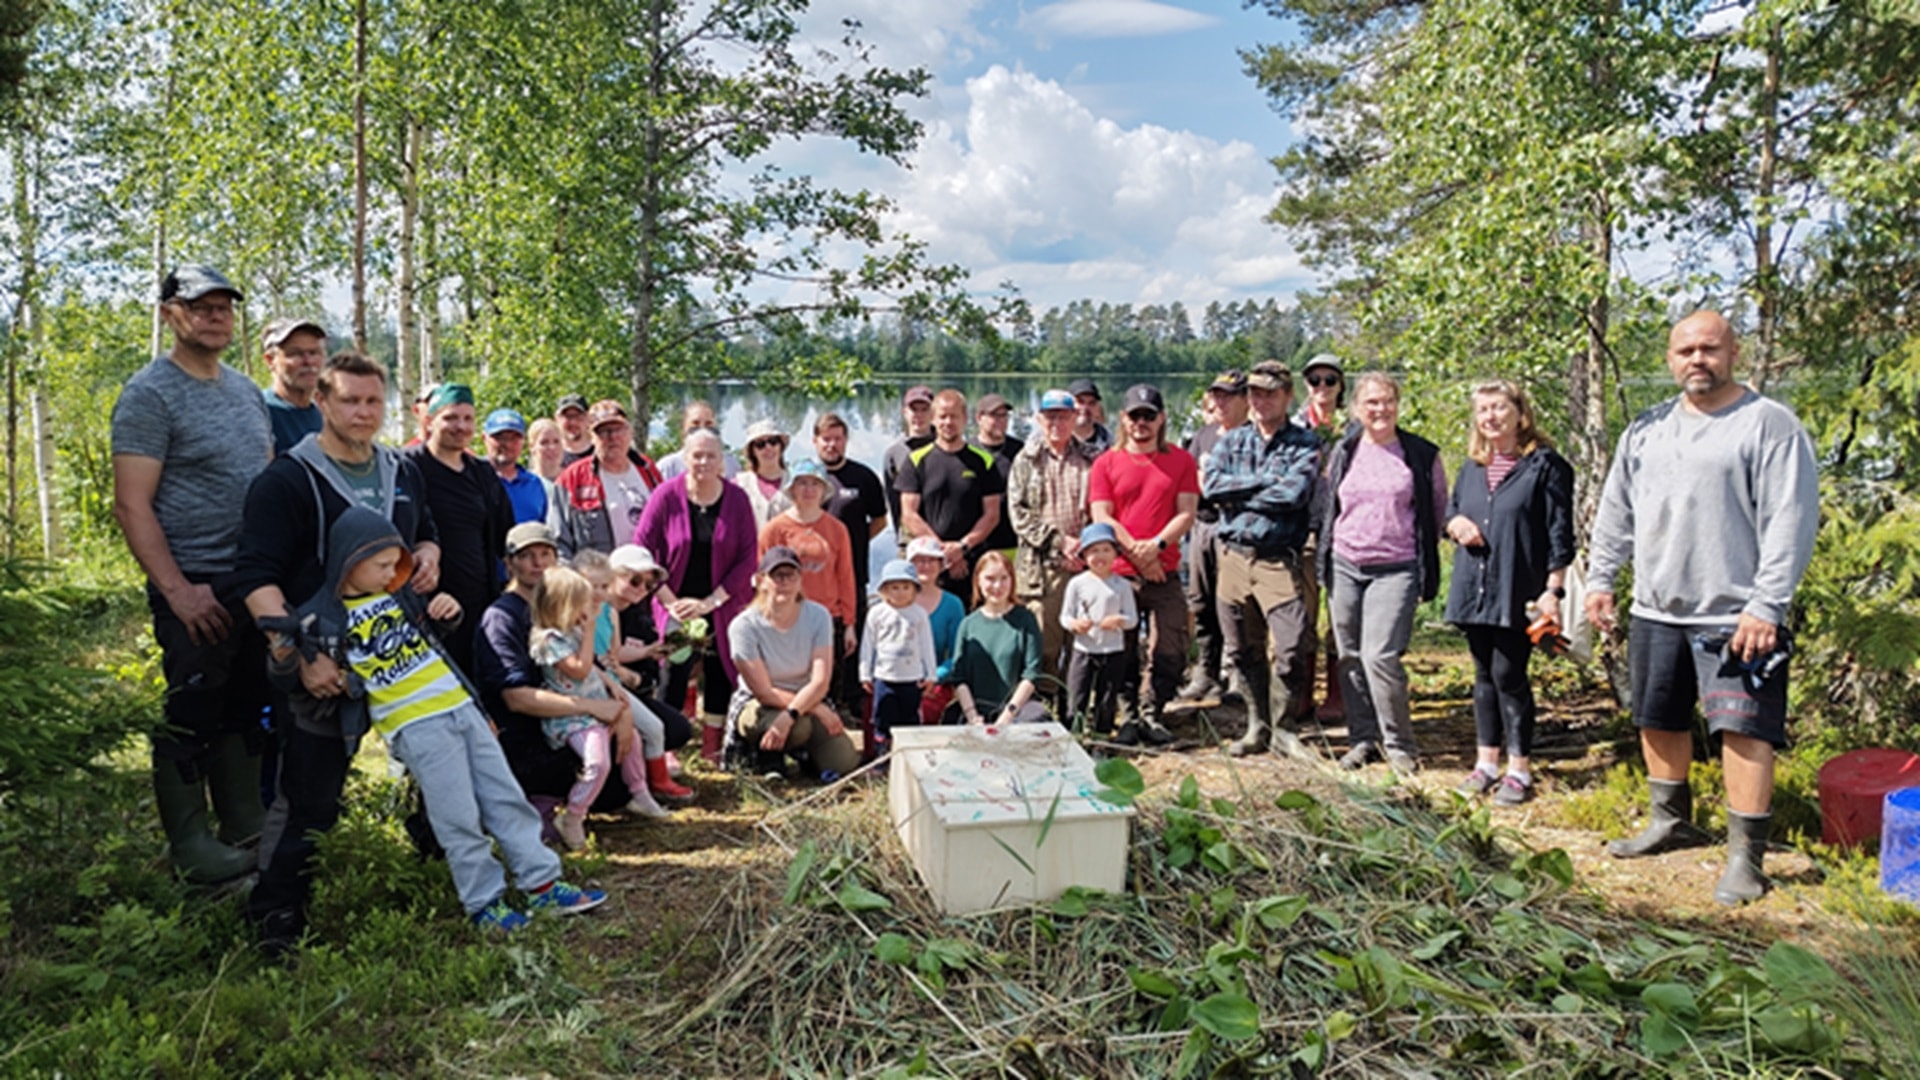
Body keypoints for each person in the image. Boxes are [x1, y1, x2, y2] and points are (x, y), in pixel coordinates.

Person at [274, 506, 606, 931]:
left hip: (459, 706)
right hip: (415, 723)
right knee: (457, 814)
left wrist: (448, 614)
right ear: (348, 559)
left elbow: (437, 645)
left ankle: (541, 883)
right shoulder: (324, 617)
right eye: (380, 566)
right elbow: (287, 668)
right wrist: (297, 655)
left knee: (504, 794)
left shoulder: (399, 595)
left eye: (395, 564)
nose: (389, 573)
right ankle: (485, 902)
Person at [1586, 311, 1819, 905]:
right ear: (1669, 359)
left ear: (1732, 352)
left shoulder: (1769, 426)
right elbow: (1617, 512)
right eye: (1685, 350)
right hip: (1658, 605)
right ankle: (1671, 821)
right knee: (1657, 716)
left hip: (1737, 611)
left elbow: (1790, 522)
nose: (1697, 359)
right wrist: (1600, 580)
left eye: (1709, 348)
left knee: (1743, 729)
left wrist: (1767, 604)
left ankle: (1747, 857)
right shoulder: (1647, 429)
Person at [233, 350, 443, 952]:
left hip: (400, 648)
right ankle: (275, 916)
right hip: (323, 654)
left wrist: (428, 553)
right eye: (349, 399)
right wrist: (299, 655)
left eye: (373, 400)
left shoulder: (402, 471)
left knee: (435, 763)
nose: (362, 411)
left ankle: (437, 870)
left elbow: (421, 531)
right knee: (311, 795)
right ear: (321, 402)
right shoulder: (288, 480)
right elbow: (255, 577)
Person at [111, 264, 273, 885]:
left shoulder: (243, 391)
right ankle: (190, 845)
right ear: (169, 314)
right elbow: (132, 502)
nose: (214, 316)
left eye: (223, 306)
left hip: (249, 581)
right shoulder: (149, 394)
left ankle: (243, 821)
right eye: (199, 306)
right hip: (194, 580)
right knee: (191, 709)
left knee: (245, 702)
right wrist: (178, 591)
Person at [1444, 381, 1575, 806]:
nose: (1490, 418)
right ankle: (1485, 765)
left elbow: (1559, 534)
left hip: (1517, 587)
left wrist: (1553, 590)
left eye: (1499, 408)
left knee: (1509, 675)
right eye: (1483, 410)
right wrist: (1455, 525)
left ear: (1521, 413)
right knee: (1483, 675)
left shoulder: (1545, 465)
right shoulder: (1472, 467)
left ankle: (1519, 769)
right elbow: (1451, 510)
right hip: (1474, 586)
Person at [472, 522, 636, 849]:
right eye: (527, 556)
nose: (538, 563)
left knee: (648, 747)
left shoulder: (559, 609)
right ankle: (537, 805)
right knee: (604, 772)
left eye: (546, 554)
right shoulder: (502, 617)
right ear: (509, 564)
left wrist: (616, 699)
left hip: (567, 716)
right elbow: (516, 699)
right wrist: (593, 707)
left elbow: (589, 661)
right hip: (525, 736)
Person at [1316, 373, 1447, 775]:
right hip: (1346, 563)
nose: (1380, 409)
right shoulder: (1344, 450)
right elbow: (1330, 504)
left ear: (1397, 404)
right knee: (1350, 656)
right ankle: (1362, 739)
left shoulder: (1421, 454)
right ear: (1356, 408)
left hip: (1397, 566)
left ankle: (1400, 744)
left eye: (1387, 400)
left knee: (1381, 656)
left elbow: (1437, 509)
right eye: (1371, 402)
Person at [1202, 361, 1323, 757]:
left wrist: (1240, 495)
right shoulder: (1231, 441)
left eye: (1271, 393)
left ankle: (1285, 726)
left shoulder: (1305, 443)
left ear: (1288, 396)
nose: (1261, 400)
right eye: (1255, 392)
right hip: (1234, 556)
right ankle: (1258, 727)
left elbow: (1293, 495)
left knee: (1290, 647)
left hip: (1278, 559)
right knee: (1242, 648)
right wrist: (1264, 482)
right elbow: (1213, 487)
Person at [529, 566, 683, 845]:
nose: (587, 609)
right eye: (580, 603)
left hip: (597, 704)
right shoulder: (550, 639)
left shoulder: (572, 629)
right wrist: (589, 632)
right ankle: (573, 815)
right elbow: (579, 668)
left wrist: (612, 684)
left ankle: (640, 794)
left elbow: (594, 668)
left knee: (634, 739)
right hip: (575, 716)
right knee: (598, 763)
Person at [634, 428, 760, 765]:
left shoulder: (737, 500)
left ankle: (713, 745)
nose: (703, 461)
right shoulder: (665, 495)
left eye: (711, 455)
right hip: (673, 598)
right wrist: (668, 598)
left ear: (722, 460)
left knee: (720, 668)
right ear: (685, 458)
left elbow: (748, 557)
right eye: (697, 455)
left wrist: (711, 602)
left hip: (721, 601)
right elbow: (642, 549)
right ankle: (667, 747)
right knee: (672, 670)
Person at [1088, 384, 1199, 746]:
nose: (1141, 423)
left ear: (1161, 419)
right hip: (1119, 573)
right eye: (1134, 415)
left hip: (1164, 570)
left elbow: (1186, 512)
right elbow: (1101, 514)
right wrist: (1136, 554)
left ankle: (1154, 711)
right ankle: (1129, 715)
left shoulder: (1181, 460)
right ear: (1123, 418)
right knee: (1123, 647)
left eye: (1149, 416)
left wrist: (1156, 546)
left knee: (1171, 644)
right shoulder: (1106, 462)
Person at [405, 383, 514, 676]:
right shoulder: (408, 467)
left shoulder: (482, 472)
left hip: (480, 602)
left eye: (467, 418)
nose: (460, 426)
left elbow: (507, 538)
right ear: (430, 421)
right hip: (428, 605)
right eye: (451, 418)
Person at [727, 546, 862, 778]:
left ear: (800, 580)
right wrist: (810, 711)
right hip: (759, 703)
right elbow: (764, 691)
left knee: (843, 762)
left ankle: (805, 756)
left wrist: (803, 707)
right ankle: (766, 756)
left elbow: (820, 682)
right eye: (777, 575)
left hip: (807, 697)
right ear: (761, 581)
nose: (785, 582)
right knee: (799, 727)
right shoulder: (743, 626)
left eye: (791, 575)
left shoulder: (819, 616)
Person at [1009, 388, 1098, 690]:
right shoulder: (1026, 460)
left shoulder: (1091, 459)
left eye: (1063, 416)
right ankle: (1044, 710)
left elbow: (1103, 510)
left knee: (1083, 646)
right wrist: (1060, 541)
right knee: (1044, 647)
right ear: (1039, 419)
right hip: (1042, 571)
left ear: (1075, 417)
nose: (1056, 423)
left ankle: (1077, 711)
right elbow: (1018, 515)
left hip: (1086, 566)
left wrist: (1086, 547)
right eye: (1050, 417)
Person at [1177, 369, 1250, 707]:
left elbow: (1247, 486)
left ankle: (1237, 674)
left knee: (1234, 604)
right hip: (1202, 527)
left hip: (1236, 529)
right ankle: (1206, 671)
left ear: (1245, 400)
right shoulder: (1204, 435)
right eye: (1216, 396)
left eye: (1228, 396)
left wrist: (1215, 483)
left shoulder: (1253, 436)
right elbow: (1190, 481)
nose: (1220, 402)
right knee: (1201, 602)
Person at [896, 388, 1005, 599]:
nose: (948, 422)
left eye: (954, 416)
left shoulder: (983, 461)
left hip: (972, 561)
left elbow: (992, 515)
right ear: (933, 419)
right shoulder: (916, 460)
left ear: (964, 418)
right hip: (930, 563)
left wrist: (962, 548)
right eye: (942, 416)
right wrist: (943, 552)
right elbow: (909, 514)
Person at [815, 411, 888, 714]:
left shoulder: (864, 477)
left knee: (851, 635)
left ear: (845, 441)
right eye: (826, 439)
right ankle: (820, 696)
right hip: (815, 576)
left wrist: (849, 547)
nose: (832, 445)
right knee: (819, 636)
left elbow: (880, 521)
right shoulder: (808, 478)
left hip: (853, 573)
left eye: (837, 438)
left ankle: (851, 701)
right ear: (815, 442)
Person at [760, 460, 858, 681]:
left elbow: (845, 576)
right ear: (792, 488)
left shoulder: (837, 529)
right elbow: (761, 579)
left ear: (824, 490)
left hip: (828, 616)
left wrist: (849, 624)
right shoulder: (774, 529)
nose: (809, 489)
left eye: (815, 483)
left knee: (826, 685)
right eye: (802, 483)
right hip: (786, 615)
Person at [1297, 353, 1350, 721]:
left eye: (1330, 380)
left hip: (1345, 530)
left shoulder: (1356, 426)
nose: (1322, 387)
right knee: (1301, 614)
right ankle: (1300, 692)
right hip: (1302, 531)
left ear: (1341, 385)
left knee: (1340, 616)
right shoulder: (1295, 425)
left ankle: (1337, 693)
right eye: (1315, 380)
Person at [555, 399, 664, 557]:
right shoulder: (572, 478)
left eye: (618, 429)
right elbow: (559, 541)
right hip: (600, 576)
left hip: (646, 573)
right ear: (591, 437)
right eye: (603, 431)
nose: (612, 437)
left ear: (629, 431)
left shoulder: (647, 469)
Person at [948, 551, 1046, 725]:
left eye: (1004, 578)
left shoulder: (1025, 620)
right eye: (990, 579)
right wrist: (972, 716)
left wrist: (1007, 716)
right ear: (978, 580)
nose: (998, 585)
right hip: (975, 708)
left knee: (1037, 717)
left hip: (1017, 708)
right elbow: (959, 677)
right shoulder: (968, 624)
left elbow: (1031, 674)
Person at [1061, 523, 1137, 737]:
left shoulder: (1121, 585)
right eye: (1094, 551)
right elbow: (1065, 616)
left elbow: (1132, 619)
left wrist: (1119, 620)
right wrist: (1075, 624)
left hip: (1112, 649)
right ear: (1084, 555)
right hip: (1083, 648)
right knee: (1077, 695)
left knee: (1107, 697)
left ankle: (1101, 736)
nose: (1100, 556)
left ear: (1115, 554)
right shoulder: (1077, 584)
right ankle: (1075, 736)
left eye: (1106, 550)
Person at [860, 558, 937, 757]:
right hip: (885, 677)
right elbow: (868, 645)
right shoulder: (877, 613)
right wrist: (865, 673)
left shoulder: (919, 614)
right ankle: (882, 757)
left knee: (909, 719)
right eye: (894, 587)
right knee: (883, 718)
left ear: (914, 589)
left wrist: (931, 674)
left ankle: (909, 756)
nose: (900, 592)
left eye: (905, 587)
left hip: (911, 678)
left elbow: (927, 645)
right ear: (884, 589)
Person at [906, 535, 967, 725]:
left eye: (931, 560)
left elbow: (957, 654)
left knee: (925, 710)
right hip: (897, 676)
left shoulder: (952, 604)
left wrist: (935, 677)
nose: (925, 565)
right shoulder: (895, 602)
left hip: (935, 680)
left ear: (941, 565)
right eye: (919, 560)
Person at [260, 316, 327, 455]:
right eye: (296, 354)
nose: (308, 362)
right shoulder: (261, 413)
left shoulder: (325, 417)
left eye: (314, 353)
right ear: (270, 360)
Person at [881, 384, 936, 545]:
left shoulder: (945, 447)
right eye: (914, 409)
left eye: (924, 409)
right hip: (909, 540)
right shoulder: (894, 454)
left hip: (943, 537)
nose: (918, 415)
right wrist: (900, 536)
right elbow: (893, 501)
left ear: (933, 413)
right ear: (904, 412)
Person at [973, 392, 1024, 555]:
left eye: (1004, 416)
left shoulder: (1020, 450)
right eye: (995, 416)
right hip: (978, 543)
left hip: (1013, 540)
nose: (1001, 421)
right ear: (979, 418)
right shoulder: (968, 451)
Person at [484, 408, 549, 526]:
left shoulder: (534, 484)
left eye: (514, 438)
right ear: (484, 439)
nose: (507, 444)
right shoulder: (473, 479)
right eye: (500, 437)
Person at [657, 400, 741, 481]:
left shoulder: (731, 465)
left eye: (708, 424)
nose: (702, 429)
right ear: (683, 429)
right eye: (695, 424)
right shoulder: (667, 467)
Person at [735, 418, 794, 529]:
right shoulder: (739, 484)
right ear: (752, 451)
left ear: (781, 446)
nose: (768, 448)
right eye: (760, 444)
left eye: (773, 441)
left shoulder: (795, 481)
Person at [1067, 378, 1113, 454]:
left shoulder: (1112, 444)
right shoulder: (1055, 442)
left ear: (1098, 409)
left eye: (1091, 403)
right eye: (1080, 402)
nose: (1085, 408)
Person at [555, 393, 593, 465]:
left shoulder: (601, 453)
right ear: (557, 419)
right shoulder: (550, 454)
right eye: (567, 416)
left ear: (588, 418)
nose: (573, 422)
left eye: (578, 416)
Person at [527, 417, 568, 482]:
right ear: (532, 447)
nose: (552, 447)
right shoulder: (523, 483)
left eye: (556, 441)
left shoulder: (573, 479)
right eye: (544, 442)